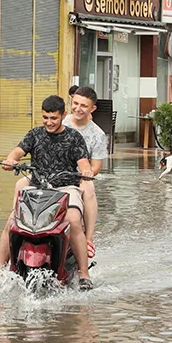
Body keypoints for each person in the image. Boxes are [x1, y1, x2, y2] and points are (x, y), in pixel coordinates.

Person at [0, 95, 95, 290]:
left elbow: (83, 162)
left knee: (74, 219)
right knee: (11, 222)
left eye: (53, 118)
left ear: (63, 116)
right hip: (37, 188)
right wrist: (10, 160)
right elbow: (17, 152)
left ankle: (84, 275)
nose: (49, 122)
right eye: (45, 118)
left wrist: (86, 171)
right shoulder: (35, 134)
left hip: (65, 188)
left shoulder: (74, 137)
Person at [63, 86, 108, 258]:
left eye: (83, 106)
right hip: (53, 174)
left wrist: (86, 172)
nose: (78, 109)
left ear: (92, 109)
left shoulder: (97, 134)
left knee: (88, 188)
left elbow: (96, 166)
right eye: (75, 103)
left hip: (78, 178)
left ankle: (88, 239)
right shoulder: (60, 123)